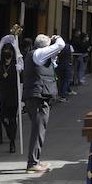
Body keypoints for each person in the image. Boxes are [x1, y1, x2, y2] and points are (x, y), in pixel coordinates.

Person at [24, 33, 67, 173]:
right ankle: (32, 163)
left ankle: (35, 160)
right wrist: (57, 38)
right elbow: (61, 45)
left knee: (39, 129)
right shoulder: (39, 54)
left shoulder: (40, 56)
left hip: (39, 96)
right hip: (37, 97)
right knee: (38, 130)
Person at [0, 31, 22, 155]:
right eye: (5, 52)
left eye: (9, 52)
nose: (7, 55)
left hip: (12, 97)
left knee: (12, 120)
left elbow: (21, 82)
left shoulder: (16, 66)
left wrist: (20, 71)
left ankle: (12, 141)